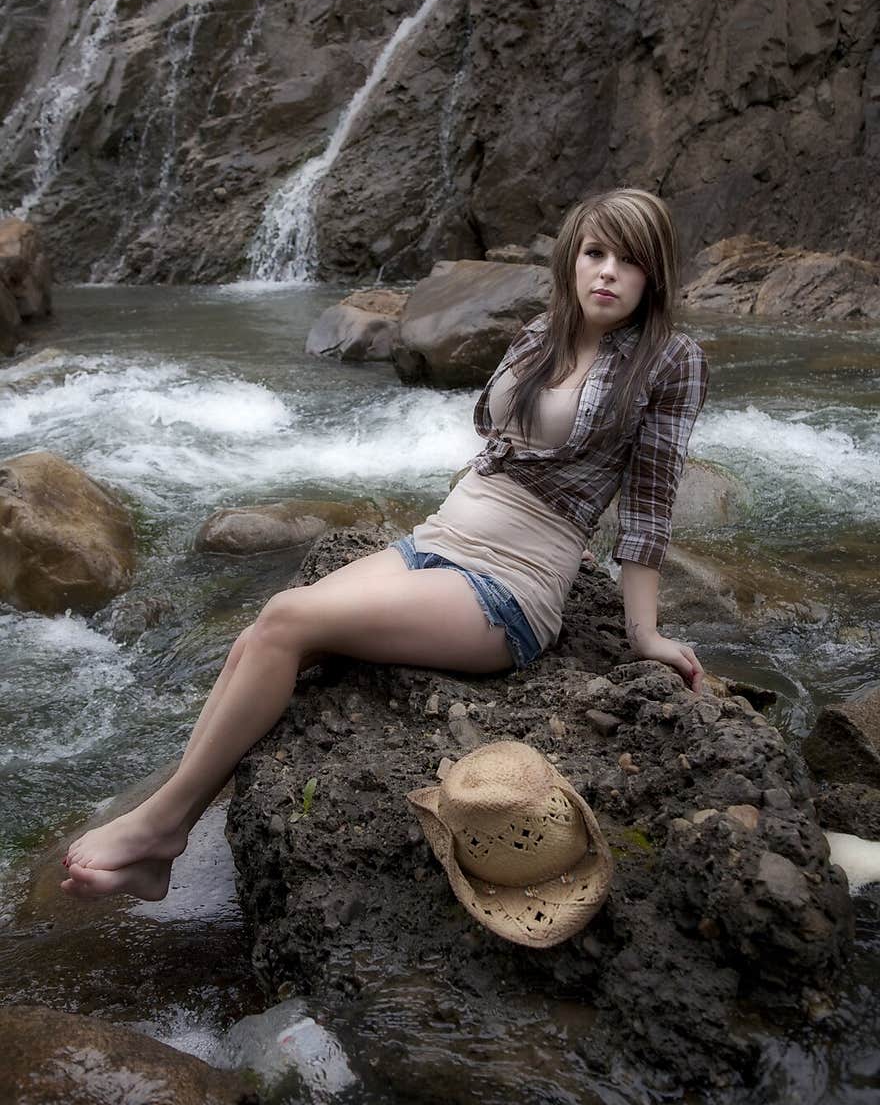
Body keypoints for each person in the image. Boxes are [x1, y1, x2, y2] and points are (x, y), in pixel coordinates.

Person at [61, 186, 708, 901]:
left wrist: (643, 631)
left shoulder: (668, 360)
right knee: (262, 636)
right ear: (572, 259)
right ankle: (158, 850)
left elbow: (650, 506)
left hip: (509, 588)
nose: (608, 272)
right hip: (438, 541)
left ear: (655, 275)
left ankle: (163, 824)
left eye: (629, 260)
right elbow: (501, 448)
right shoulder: (542, 332)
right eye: (595, 253)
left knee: (286, 619)